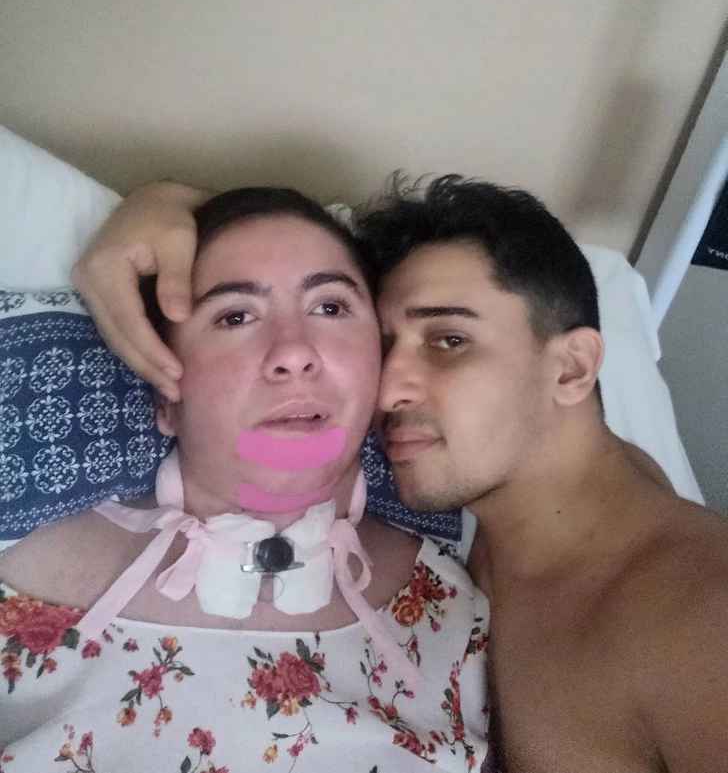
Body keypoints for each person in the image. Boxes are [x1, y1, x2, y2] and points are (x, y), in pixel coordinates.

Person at [71, 175, 728, 772]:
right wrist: (158, 202)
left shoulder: (696, 617)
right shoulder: (522, 519)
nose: (388, 392)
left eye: (449, 341)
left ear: (572, 369)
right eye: (384, 348)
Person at [0, 187, 492, 772]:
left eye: (330, 307)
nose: (293, 353)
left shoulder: (457, 613)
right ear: (166, 400)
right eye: (234, 316)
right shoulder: (17, 587)